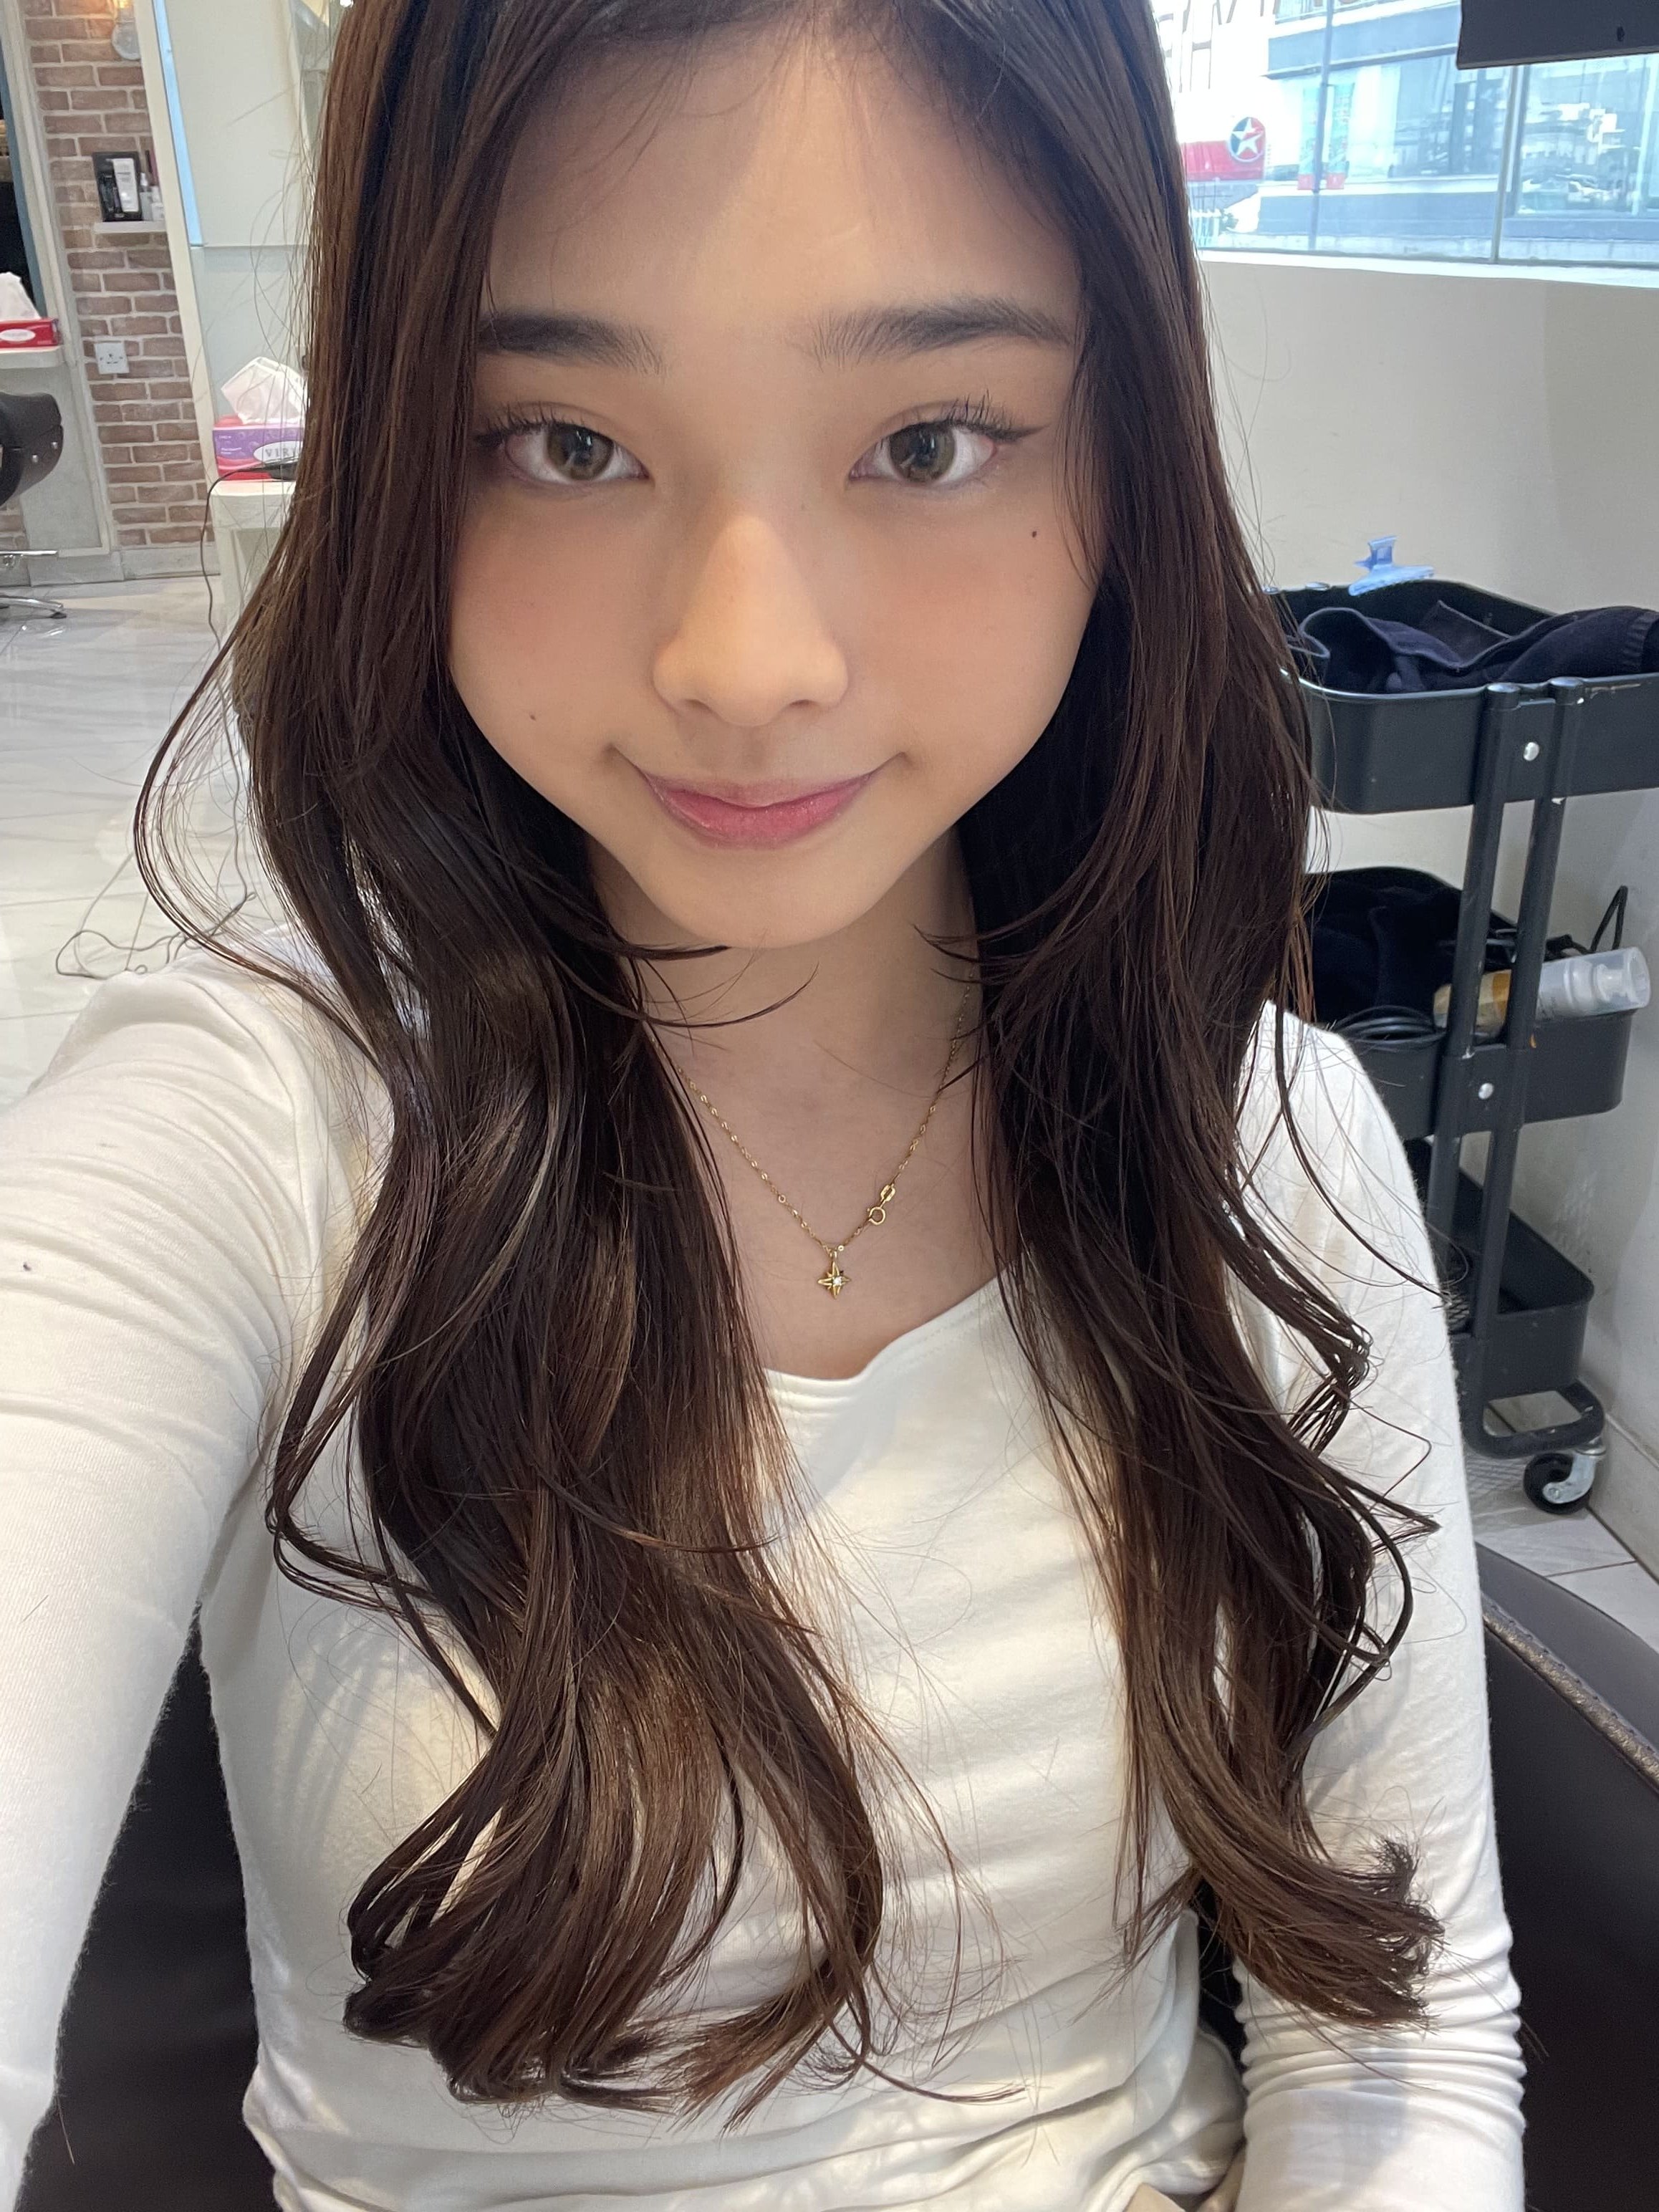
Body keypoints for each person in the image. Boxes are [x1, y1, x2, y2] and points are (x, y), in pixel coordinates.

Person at [0, 3, 1525, 2208]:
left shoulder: (1257, 1138)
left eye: (926, 439)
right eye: (561, 439)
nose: (745, 660)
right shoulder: (254, 1134)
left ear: (1121, 460)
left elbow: (1388, 2035)